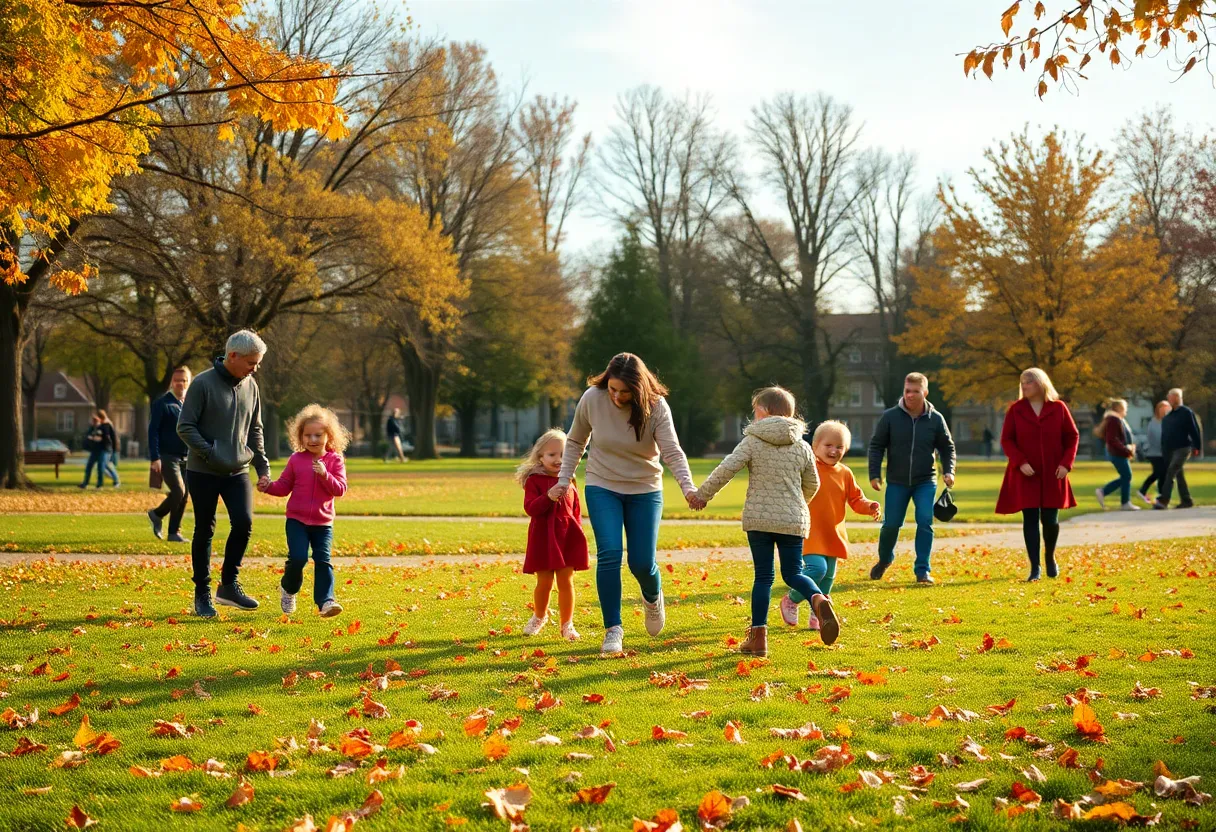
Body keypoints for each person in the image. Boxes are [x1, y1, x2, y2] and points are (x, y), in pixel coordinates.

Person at [550, 353, 698, 655]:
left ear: (638, 388)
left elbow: (671, 451)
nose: (616, 396)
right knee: (609, 553)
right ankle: (613, 630)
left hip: (645, 488)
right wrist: (564, 479)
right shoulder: (593, 397)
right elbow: (576, 440)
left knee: (641, 562)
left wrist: (687, 486)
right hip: (602, 484)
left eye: (624, 391)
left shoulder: (656, 406)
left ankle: (652, 594)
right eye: (613, 389)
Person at [177, 330, 271, 618]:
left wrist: (262, 466)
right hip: (203, 470)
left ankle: (228, 585)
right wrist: (210, 453)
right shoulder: (203, 384)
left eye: (257, 363)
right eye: (251, 363)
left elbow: (255, 429)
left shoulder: (250, 386)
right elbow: (185, 426)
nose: (255, 368)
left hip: (237, 470)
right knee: (204, 529)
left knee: (243, 523)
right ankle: (202, 593)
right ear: (233, 356)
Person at [780, 420, 879, 632]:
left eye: (839, 447)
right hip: (809, 531)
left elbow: (856, 500)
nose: (834, 450)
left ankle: (819, 615)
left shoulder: (845, 473)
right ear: (815, 446)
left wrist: (869, 506)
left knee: (828, 577)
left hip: (833, 533)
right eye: (828, 445)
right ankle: (792, 599)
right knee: (817, 568)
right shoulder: (807, 468)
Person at [258, 404, 348, 618]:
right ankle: (288, 589)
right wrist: (268, 486)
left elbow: (341, 489)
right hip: (297, 521)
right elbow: (283, 486)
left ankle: (326, 601)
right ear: (300, 436)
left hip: (323, 523)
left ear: (329, 435)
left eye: (318, 435)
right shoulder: (296, 460)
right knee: (298, 559)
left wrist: (325, 475)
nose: (313, 440)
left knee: (323, 560)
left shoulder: (335, 460)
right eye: (307, 435)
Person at [867, 372, 956, 585]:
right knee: (891, 525)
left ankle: (922, 571)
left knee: (925, 521)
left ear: (924, 392)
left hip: (926, 480)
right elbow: (876, 446)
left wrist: (949, 470)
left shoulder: (936, 419)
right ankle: (885, 559)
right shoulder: (890, 417)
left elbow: (947, 447)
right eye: (907, 391)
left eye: (915, 391)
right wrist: (874, 474)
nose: (910, 395)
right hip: (897, 481)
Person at [994, 368, 1079, 581]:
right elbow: (1007, 440)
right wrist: (1020, 462)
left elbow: (1072, 437)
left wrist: (1066, 464)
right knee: (1030, 519)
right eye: (1022, 382)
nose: (1024, 386)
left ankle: (1050, 558)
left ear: (1040, 384)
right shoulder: (1016, 409)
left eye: (1029, 382)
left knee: (1050, 520)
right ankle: (1035, 568)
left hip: (1054, 472)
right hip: (1025, 473)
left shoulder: (1059, 408)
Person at [517, 429, 589, 641]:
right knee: (545, 582)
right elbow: (531, 508)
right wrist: (548, 497)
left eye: (563, 454)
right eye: (552, 455)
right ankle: (539, 616)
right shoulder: (534, 481)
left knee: (566, 581)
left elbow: (575, 511)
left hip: (567, 537)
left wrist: (578, 534)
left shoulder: (570, 479)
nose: (558, 460)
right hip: (543, 537)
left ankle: (567, 624)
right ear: (540, 456)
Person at [147, 367, 192, 542]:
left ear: (189, 382)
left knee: (184, 495)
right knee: (178, 491)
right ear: (172, 382)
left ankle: (174, 532)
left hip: (187, 457)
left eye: (184, 380)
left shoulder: (190, 405)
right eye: (177, 380)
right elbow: (153, 432)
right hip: (167, 456)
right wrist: (155, 458)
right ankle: (156, 514)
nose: (180, 383)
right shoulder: (162, 404)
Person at [1155, 387, 1203, 510]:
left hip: (1183, 448)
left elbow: (1194, 429)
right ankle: (1186, 500)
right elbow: (1164, 436)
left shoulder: (1186, 412)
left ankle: (1163, 499)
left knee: (1171, 471)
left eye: (1170, 397)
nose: (1168, 399)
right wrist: (1164, 451)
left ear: (1176, 397)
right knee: (1178, 474)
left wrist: (1197, 446)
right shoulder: (1168, 417)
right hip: (1170, 450)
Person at [1094, 398, 1138, 511]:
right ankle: (1121, 500)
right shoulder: (1114, 420)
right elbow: (1112, 439)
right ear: (1119, 408)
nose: (1126, 411)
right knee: (1127, 476)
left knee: (1125, 476)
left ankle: (1110, 495)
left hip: (1118, 453)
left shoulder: (1115, 419)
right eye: (1125, 408)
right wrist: (1126, 449)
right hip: (1117, 453)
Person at [1138, 400, 1171, 506]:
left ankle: (1161, 497)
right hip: (1154, 453)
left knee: (1163, 476)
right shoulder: (1153, 423)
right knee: (1158, 472)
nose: (1164, 411)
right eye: (1162, 409)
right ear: (1158, 410)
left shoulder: (1168, 422)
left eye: (1166, 409)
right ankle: (1143, 490)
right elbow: (1154, 439)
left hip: (1164, 454)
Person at [95, 410, 120, 488]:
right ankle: (115, 480)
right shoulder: (103, 425)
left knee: (102, 466)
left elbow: (109, 437)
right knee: (105, 466)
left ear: (100, 417)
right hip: (103, 448)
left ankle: (102, 484)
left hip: (106, 449)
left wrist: (98, 437)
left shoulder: (106, 425)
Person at [78, 415, 104, 488]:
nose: (94, 423)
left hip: (101, 450)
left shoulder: (101, 428)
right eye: (93, 421)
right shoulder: (92, 428)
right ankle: (85, 483)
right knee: (89, 467)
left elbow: (100, 438)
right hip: (94, 450)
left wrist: (92, 437)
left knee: (100, 467)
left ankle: (99, 484)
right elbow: (87, 435)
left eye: (96, 421)